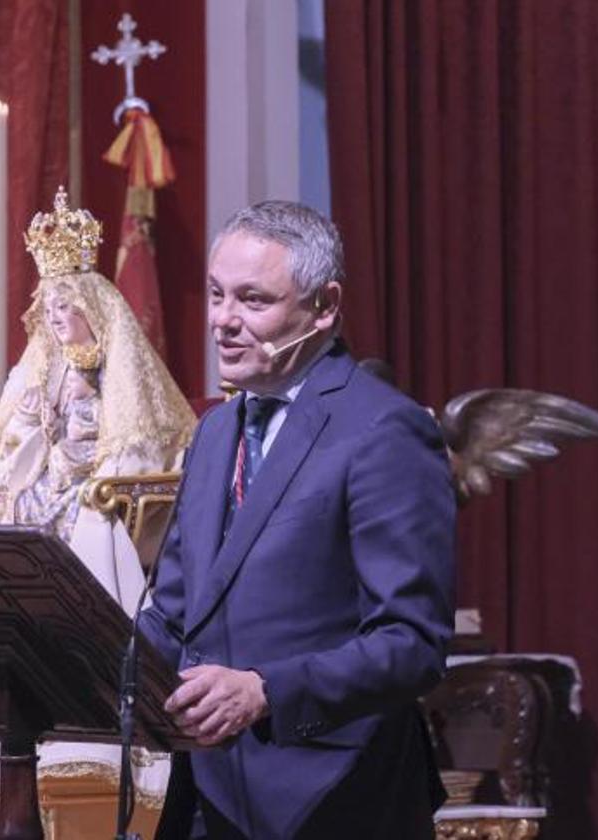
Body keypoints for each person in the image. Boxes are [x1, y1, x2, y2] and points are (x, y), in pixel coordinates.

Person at [138, 201, 456, 839]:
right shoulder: (215, 430)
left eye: (253, 301)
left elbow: (411, 642)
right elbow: (171, 616)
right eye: (216, 295)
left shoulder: (383, 430)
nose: (223, 321)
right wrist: (51, 671)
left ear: (325, 305)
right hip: (206, 795)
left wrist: (266, 691)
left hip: (335, 797)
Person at [0, 188, 194, 807]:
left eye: (65, 307)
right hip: (41, 491)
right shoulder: (41, 369)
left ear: (92, 311)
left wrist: (83, 461)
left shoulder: (114, 372)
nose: (54, 318)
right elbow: (12, 440)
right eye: (47, 307)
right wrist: (24, 448)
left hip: (91, 495)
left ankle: (84, 720)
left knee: (85, 529)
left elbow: (132, 450)